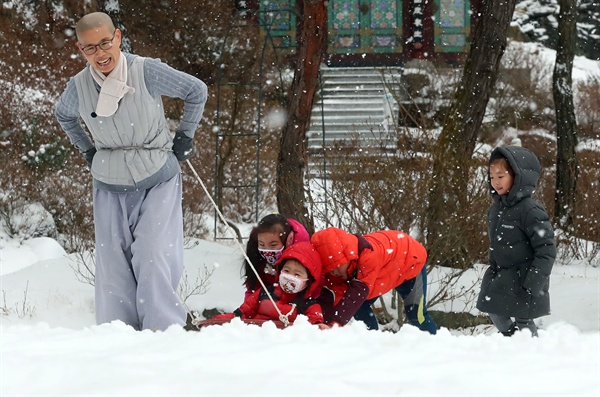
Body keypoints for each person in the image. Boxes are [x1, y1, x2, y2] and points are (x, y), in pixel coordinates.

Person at [54, 12, 208, 331]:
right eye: (90, 47)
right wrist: (87, 149)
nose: (100, 53)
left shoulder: (144, 70)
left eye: (105, 43)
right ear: (80, 49)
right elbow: (64, 116)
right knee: (113, 263)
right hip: (108, 180)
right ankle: (118, 332)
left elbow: (196, 90)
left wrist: (185, 136)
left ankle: (162, 329)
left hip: (157, 175)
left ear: (118, 38)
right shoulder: (79, 86)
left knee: (153, 254)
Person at [476, 146, 556, 337]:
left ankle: (530, 349)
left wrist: (534, 280)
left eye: (501, 176)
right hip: (502, 275)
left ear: (518, 177)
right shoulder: (495, 210)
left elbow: (546, 250)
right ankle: (512, 340)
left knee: (523, 318)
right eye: (492, 177)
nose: (495, 182)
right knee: (493, 309)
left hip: (525, 277)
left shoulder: (531, 210)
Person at [310, 227, 438, 334]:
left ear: (348, 256)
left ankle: (436, 345)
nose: (335, 273)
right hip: (388, 272)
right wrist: (323, 322)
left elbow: (357, 292)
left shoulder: (368, 254)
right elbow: (333, 294)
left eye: (337, 267)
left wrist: (336, 323)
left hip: (411, 264)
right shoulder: (343, 266)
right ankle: (370, 345)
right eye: (330, 270)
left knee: (417, 316)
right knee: (360, 307)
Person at [214, 242, 327, 328]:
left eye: (297, 274)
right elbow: (240, 315)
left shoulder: (309, 306)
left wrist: (319, 327)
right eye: (286, 271)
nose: (289, 276)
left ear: (308, 281)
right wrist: (217, 321)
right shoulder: (264, 293)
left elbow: (315, 327)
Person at [241, 214, 310, 297]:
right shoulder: (258, 261)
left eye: (273, 245)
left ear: (288, 241)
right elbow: (253, 292)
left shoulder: (303, 261)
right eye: (262, 244)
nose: (267, 250)